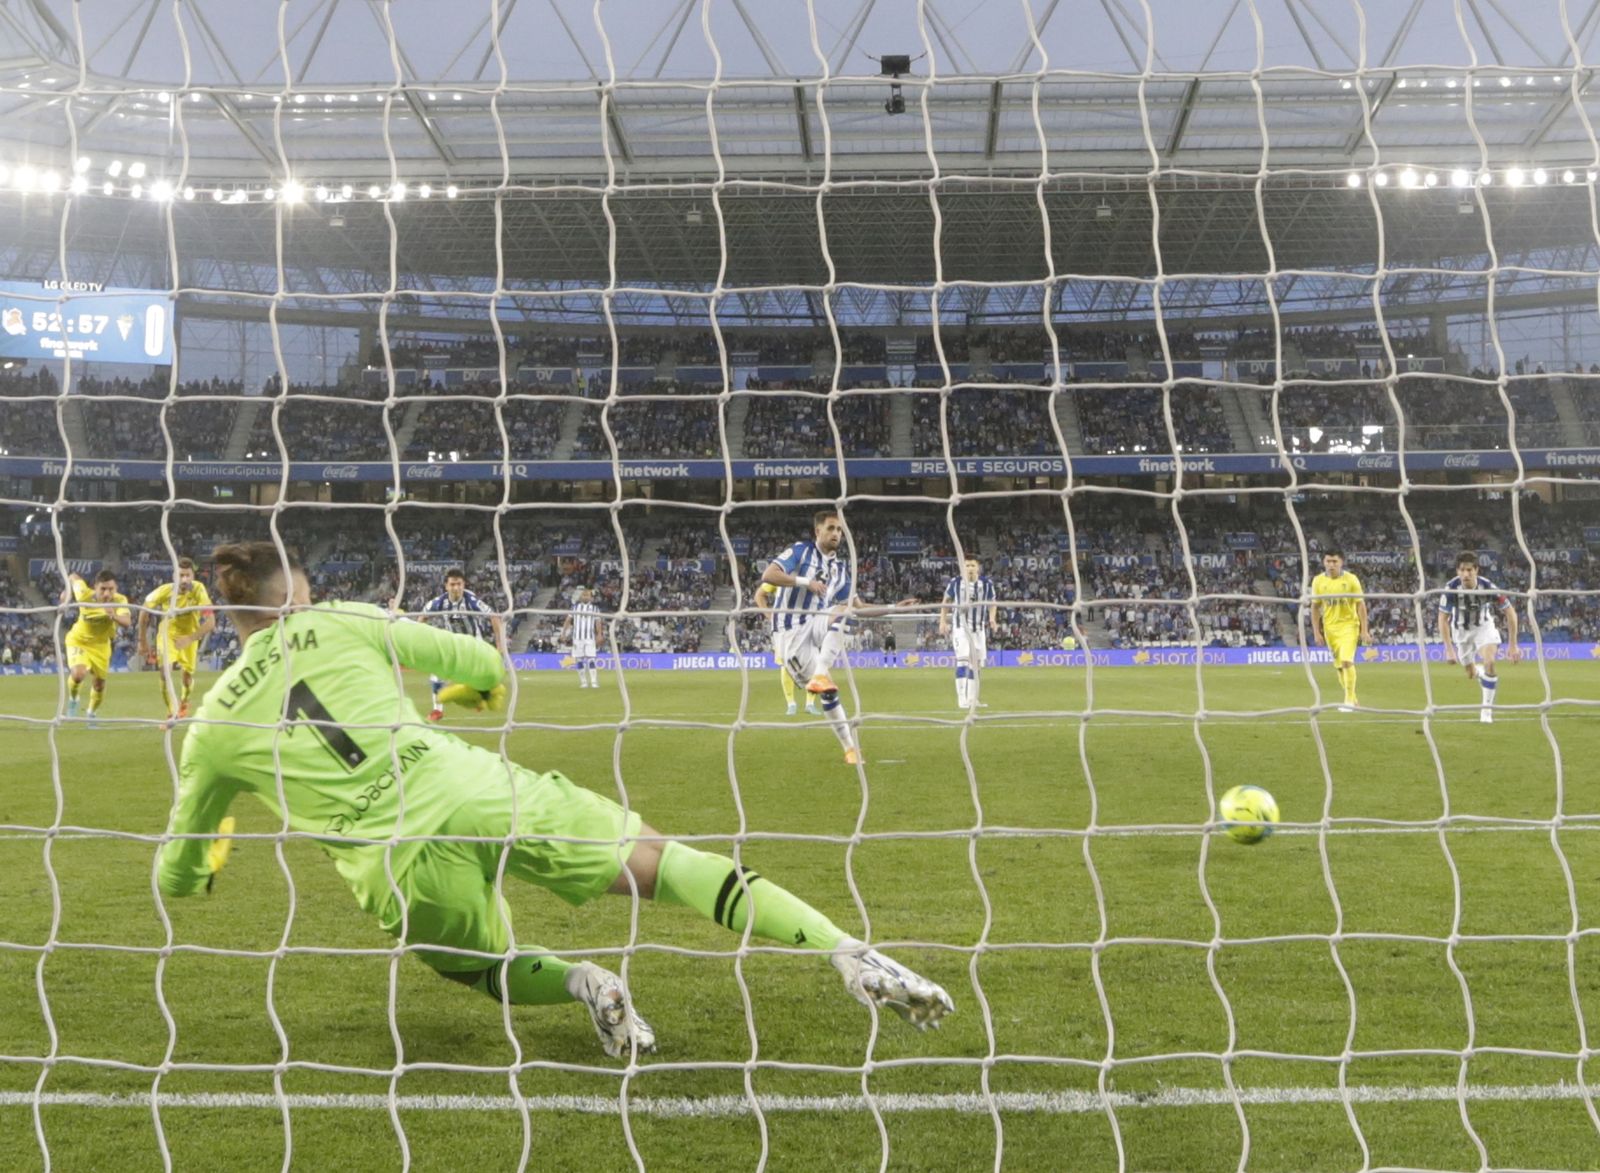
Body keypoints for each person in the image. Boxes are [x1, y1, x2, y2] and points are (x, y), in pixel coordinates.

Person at [157, 542, 952, 1059]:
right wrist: (473, 692)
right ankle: (847, 950)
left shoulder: (213, 725)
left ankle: (586, 984)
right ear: (292, 591)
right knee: (663, 863)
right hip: (469, 787)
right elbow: (484, 665)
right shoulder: (344, 619)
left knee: (484, 969)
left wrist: (208, 858)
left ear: (231, 613)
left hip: (395, 863)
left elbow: (177, 873)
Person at [760, 510, 914, 765]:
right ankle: (846, 742)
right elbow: (769, 575)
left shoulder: (840, 570)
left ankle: (851, 747)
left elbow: (860, 608)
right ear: (817, 531)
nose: (836, 534)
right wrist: (805, 582)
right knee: (829, 693)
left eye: (839, 530)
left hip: (816, 622)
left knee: (847, 611)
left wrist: (895, 608)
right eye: (831, 528)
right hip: (790, 633)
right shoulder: (800, 552)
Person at [1438, 550, 1519, 724]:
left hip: (1484, 627)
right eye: (1462, 570)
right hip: (1461, 632)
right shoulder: (1451, 588)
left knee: (1490, 661)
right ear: (1457, 571)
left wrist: (1513, 645)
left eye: (1469, 570)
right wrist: (1449, 649)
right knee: (1470, 673)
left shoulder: (1487, 586)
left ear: (1476, 570)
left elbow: (1510, 612)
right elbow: (1442, 619)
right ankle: (1479, 672)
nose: (1465, 574)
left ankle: (1486, 711)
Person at [137, 557, 215, 721]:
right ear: (174, 576)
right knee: (165, 671)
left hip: (190, 637)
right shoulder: (164, 591)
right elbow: (143, 611)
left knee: (187, 678)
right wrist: (142, 641)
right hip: (168, 636)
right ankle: (172, 712)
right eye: (181, 575)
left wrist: (191, 638)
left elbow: (211, 622)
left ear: (193, 576)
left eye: (188, 575)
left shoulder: (199, 590)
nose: (184, 580)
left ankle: (184, 701)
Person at [420, 569, 503, 721]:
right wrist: (418, 638)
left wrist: (500, 645)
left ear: (464, 584)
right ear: (446, 586)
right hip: (454, 644)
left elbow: (494, 617)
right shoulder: (440, 602)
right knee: (436, 673)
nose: (456, 588)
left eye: (459, 584)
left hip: (474, 644)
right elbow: (422, 616)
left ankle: (479, 698)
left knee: (481, 676)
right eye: (452, 584)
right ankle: (437, 710)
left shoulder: (471, 600)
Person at [61, 569, 132, 722]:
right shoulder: (83, 593)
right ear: (95, 587)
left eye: (111, 589)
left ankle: (91, 713)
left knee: (99, 685)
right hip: (79, 640)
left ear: (116, 589)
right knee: (79, 674)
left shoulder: (119, 600)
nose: (107, 594)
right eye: (103, 589)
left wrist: (113, 615)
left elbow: (127, 622)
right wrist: (66, 591)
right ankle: (74, 699)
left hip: (101, 646)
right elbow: (73, 577)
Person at [1309, 549, 1370, 712]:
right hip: (1330, 629)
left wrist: (1364, 630)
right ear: (1323, 562)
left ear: (1341, 562)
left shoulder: (1351, 580)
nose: (1331, 565)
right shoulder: (1317, 581)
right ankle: (1354, 698)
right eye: (1328, 561)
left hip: (1349, 626)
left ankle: (1348, 701)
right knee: (1338, 666)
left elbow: (1360, 605)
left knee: (1346, 661)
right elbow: (1315, 607)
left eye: (1334, 561)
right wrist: (1317, 631)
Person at [939, 557, 997, 710]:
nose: (970, 568)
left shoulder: (986, 584)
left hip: (979, 630)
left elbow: (993, 603)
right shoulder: (955, 582)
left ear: (978, 568)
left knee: (976, 665)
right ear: (962, 568)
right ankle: (961, 700)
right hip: (961, 628)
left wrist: (992, 618)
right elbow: (946, 602)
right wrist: (942, 621)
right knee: (963, 661)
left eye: (972, 565)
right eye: (967, 565)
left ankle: (972, 700)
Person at [754, 581, 817, 717]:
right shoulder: (781, 572)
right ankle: (791, 704)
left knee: (813, 664)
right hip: (785, 629)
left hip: (807, 627)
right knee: (785, 664)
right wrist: (769, 615)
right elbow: (759, 595)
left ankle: (810, 704)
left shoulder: (813, 574)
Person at [558, 587, 604, 689]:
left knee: (591, 659)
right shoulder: (575, 607)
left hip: (590, 638)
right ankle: (583, 682)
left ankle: (593, 682)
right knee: (579, 660)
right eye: (583, 595)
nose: (585, 597)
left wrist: (599, 634)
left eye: (587, 595)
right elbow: (568, 620)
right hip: (577, 638)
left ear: (591, 598)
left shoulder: (595, 609)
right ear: (581, 596)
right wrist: (563, 633)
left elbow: (598, 622)